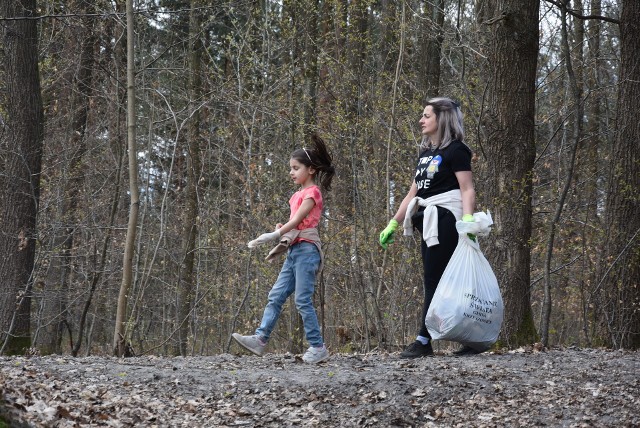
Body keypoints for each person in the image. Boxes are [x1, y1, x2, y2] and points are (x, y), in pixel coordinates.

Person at [379, 97, 478, 358]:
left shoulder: (457, 151)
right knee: (443, 280)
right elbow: (413, 193)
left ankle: (423, 340)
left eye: (426, 116)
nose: (421, 121)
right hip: (427, 219)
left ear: (441, 119)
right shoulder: (425, 154)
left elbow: (466, 189)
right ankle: (471, 337)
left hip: (446, 219)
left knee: (435, 280)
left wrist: (467, 222)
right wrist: (394, 222)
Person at [232, 134, 335, 364]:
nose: (291, 172)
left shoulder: (313, 192)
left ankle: (318, 347)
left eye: (296, 168)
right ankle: (260, 339)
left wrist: (276, 234)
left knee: (302, 299)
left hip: (307, 250)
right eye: (291, 168)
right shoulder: (296, 195)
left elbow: (300, 219)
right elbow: (294, 221)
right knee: (276, 295)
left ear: (310, 170)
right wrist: (281, 230)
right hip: (294, 250)